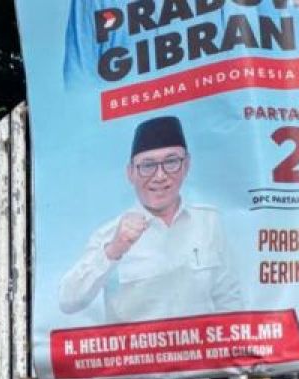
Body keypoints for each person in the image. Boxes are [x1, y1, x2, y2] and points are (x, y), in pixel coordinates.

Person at [58, 115, 243, 323]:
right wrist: (114, 249)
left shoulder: (209, 222)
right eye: (147, 165)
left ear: (187, 165)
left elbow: (229, 299)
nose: (160, 176)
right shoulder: (110, 235)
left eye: (171, 161)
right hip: (137, 354)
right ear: (130, 173)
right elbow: (68, 300)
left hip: (201, 352)